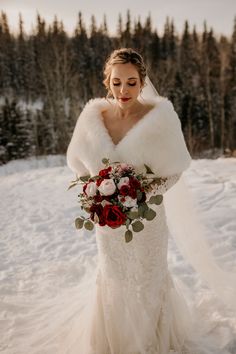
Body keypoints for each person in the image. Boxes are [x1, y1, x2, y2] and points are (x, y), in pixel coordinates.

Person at [64, 48, 236, 354]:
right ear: (107, 81)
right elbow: (77, 164)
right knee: (114, 280)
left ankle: (150, 342)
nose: (123, 90)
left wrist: (142, 193)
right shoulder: (93, 117)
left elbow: (176, 170)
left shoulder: (160, 119)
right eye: (117, 82)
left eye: (131, 82)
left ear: (142, 82)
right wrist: (97, 193)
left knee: (147, 280)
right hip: (110, 225)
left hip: (148, 223)